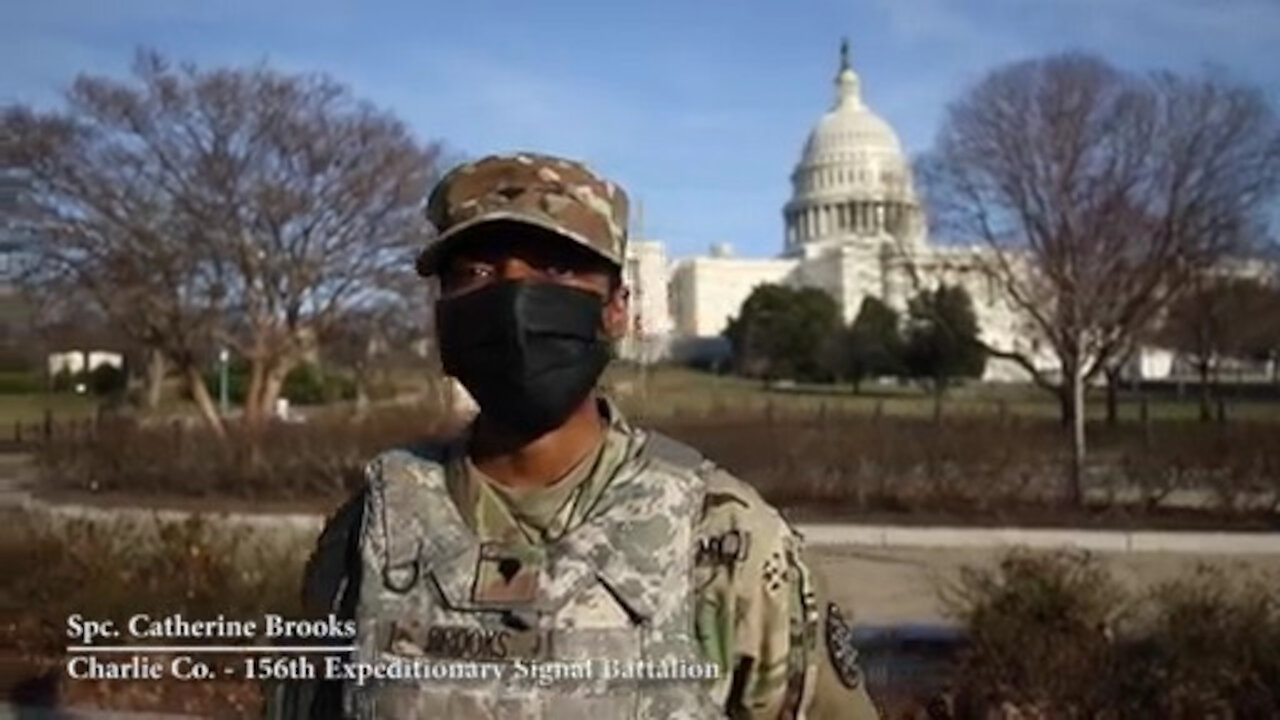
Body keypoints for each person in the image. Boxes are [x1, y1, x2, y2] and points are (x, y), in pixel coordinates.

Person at [269, 152, 881, 719]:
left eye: (557, 267)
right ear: (441, 312)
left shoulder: (727, 543)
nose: (512, 300)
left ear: (618, 308)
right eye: (476, 271)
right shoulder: (370, 533)